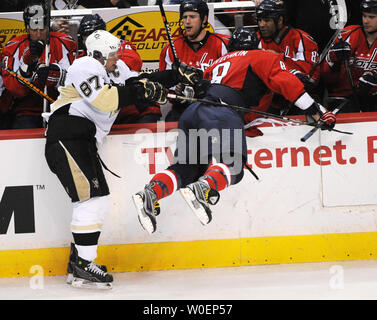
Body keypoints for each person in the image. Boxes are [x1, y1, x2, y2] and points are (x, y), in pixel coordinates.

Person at [132, 28, 337, 235]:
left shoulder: (215, 64)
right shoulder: (262, 56)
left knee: (187, 169)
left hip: (192, 113)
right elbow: (286, 83)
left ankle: (151, 192)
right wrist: (317, 111)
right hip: (222, 112)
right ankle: (203, 188)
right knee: (234, 167)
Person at [43, 29, 197, 288]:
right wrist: (141, 92)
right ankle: (83, 265)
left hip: (80, 139)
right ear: (98, 55)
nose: (116, 59)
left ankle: (78, 261)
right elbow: (105, 100)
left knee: (93, 198)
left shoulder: (112, 68)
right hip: (67, 135)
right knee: (92, 199)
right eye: (112, 55)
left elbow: (137, 82)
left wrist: (175, 74)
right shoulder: (85, 65)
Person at [1, 0, 77, 129]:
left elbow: (76, 81)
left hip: (59, 107)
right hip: (26, 111)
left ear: (48, 25)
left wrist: (57, 76)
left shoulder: (65, 43)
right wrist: (26, 68)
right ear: (26, 27)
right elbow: (13, 89)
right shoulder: (13, 47)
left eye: (42, 29)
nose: (38, 34)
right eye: (33, 29)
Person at [77, 14, 161, 124]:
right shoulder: (80, 60)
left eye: (95, 34)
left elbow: (133, 65)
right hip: (107, 116)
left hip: (136, 111)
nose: (91, 39)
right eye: (86, 36)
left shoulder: (119, 45)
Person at [159, 0, 229, 122]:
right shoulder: (170, 48)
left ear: (204, 19)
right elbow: (165, 86)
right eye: (185, 17)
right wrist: (176, 92)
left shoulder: (222, 44)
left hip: (214, 106)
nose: (187, 21)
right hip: (183, 109)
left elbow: (229, 82)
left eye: (192, 17)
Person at [255, 0, 320, 114]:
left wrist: (277, 59)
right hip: (269, 100)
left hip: (300, 100)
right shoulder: (256, 39)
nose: (261, 25)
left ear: (280, 20)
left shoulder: (302, 39)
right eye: (259, 20)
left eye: (266, 20)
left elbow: (312, 78)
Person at [320, 0, 377, 113]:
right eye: (364, 16)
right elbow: (324, 76)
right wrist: (333, 59)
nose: (366, 21)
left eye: (371, 17)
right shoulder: (348, 34)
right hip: (343, 98)